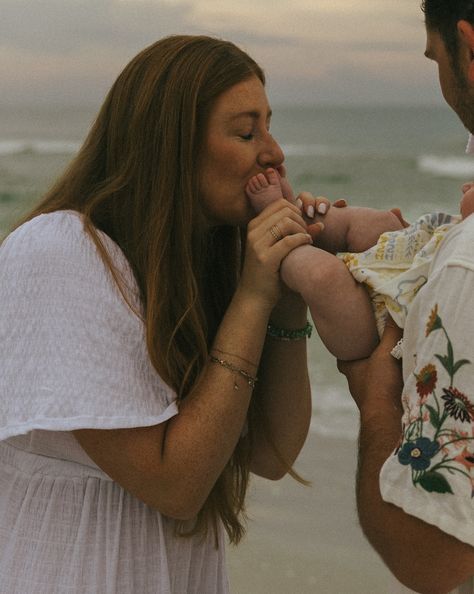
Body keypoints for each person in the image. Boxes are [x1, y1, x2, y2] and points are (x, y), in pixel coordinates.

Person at [0, 35, 330, 593]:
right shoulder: (62, 252)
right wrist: (252, 296)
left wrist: (287, 288)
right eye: (246, 131)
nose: (272, 152)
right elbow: (175, 483)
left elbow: (272, 452)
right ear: (171, 143)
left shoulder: (193, 263)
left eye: (269, 128)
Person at [336, 3, 474, 593]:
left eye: (436, 59)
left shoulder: (466, 266)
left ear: (469, 46)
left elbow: (430, 557)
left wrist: (375, 396)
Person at [246, 167, 474, 361]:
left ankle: (279, 226)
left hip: (376, 326)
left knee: (325, 276)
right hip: (401, 272)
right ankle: (296, 215)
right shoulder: (455, 230)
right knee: (381, 222)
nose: (466, 186)